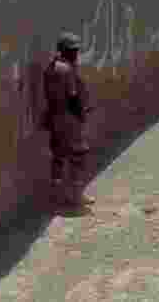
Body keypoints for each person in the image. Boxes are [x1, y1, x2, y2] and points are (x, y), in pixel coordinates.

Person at [42, 32, 96, 208]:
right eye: (72, 51)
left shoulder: (51, 68)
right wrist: (81, 114)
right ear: (64, 51)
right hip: (68, 119)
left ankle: (56, 196)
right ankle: (75, 197)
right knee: (78, 157)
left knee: (58, 157)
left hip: (55, 118)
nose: (75, 54)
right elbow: (72, 97)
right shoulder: (66, 69)